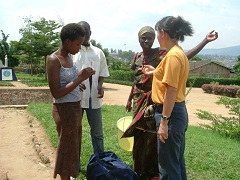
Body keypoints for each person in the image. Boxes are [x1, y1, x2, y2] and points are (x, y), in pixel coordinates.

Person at [123, 26, 218, 179]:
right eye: (143, 37)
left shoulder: (163, 54)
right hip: (138, 100)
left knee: (156, 138)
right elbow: (136, 81)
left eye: (150, 37)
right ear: (138, 38)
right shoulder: (137, 56)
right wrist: (129, 99)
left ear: (155, 38)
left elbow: (184, 57)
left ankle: (154, 171)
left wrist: (205, 41)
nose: (146, 40)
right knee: (139, 135)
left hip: (155, 102)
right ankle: (140, 169)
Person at [141, 15, 197, 179]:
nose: (157, 37)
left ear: (163, 33)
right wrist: (154, 71)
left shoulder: (172, 56)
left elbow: (171, 91)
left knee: (167, 166)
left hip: (170, 114)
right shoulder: (177, 53)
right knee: (176, 162)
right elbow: (168, 75)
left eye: (157, 33)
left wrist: (164, 122)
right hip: (178, 112)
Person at [47, 23, 95, 180]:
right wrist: (80, 78)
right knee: (66, 150)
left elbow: (68, 81)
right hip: (64, 110)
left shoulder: (69, 57)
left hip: (75, 108)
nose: (79, 48)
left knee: (73, 148)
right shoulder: (54, 60)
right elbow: (57, 92)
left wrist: (78, 80)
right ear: (67, 42)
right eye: (77, 44)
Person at [73, 21, 110, 154]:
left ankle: (100, 162)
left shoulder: (98, 52)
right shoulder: (73, 52)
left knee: (97, 133)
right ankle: (74, 166)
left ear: (90, 33)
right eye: (80, 33)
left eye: (86, 32)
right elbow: (68, 73)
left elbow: (102, 73)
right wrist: (77, 81)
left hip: (94, 98)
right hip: (76, 98)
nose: (83, 36)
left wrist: (100, 86)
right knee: (75, 133)